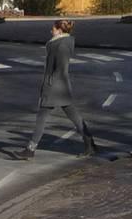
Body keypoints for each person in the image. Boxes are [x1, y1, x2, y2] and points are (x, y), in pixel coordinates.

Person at [19, 19, 96, 159]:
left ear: (60, 31)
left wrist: (50, 83)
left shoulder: (62, 46)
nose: (51, 31)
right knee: (74, 116)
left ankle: (30, 149)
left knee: (41, 118)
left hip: (55, 87)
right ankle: (89, 144)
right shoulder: (58, 43)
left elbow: (61, 68)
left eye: (53, 28)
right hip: (61, 87)